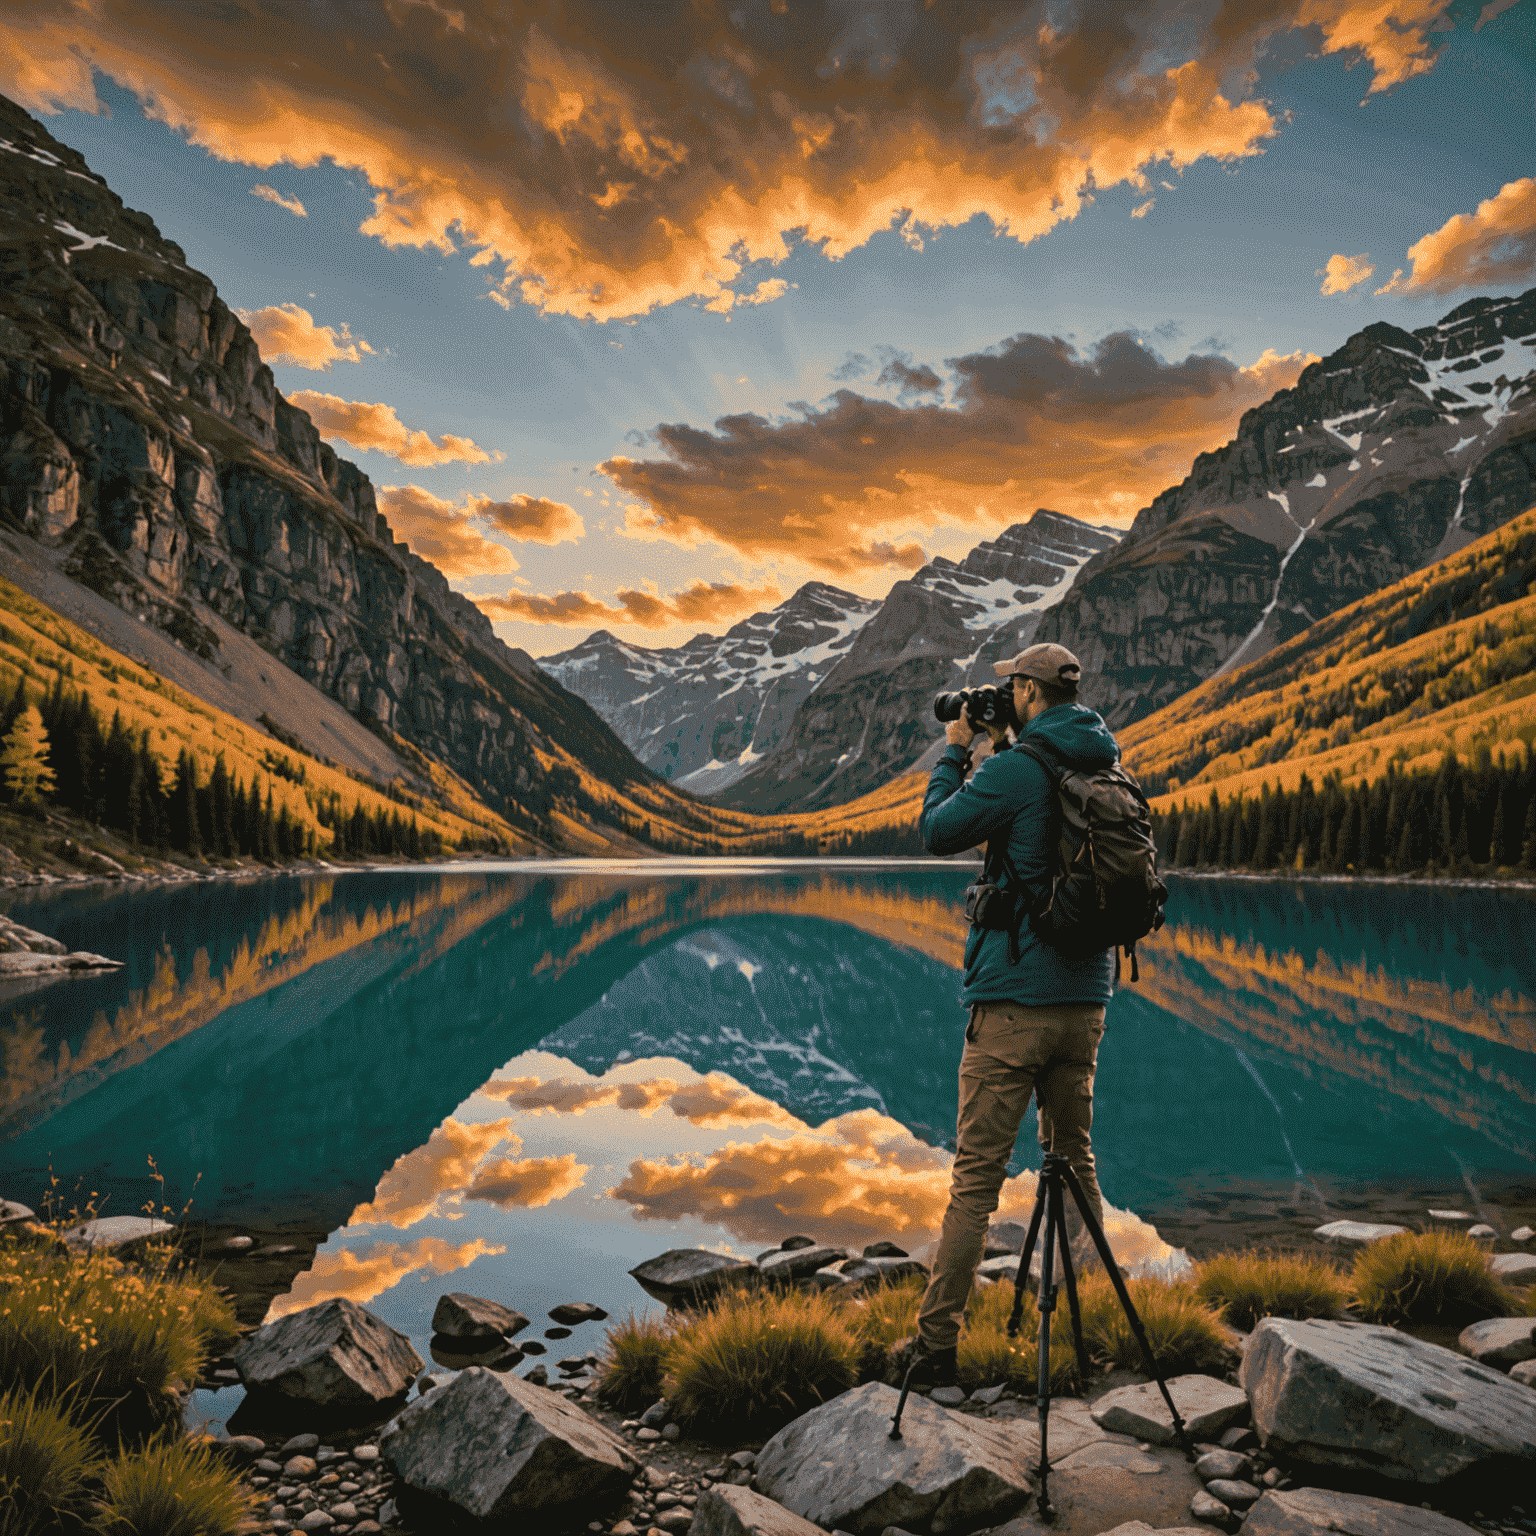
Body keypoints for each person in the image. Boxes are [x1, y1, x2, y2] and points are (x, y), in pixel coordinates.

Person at [904, 641, 1121, 1389]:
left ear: (1027, 689)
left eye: (1007, 691)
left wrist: (955, 750)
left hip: (1012, 1007)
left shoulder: (1016, 770)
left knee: (976, 1180)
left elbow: (937, 831)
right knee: (1075, 1159)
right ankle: (1096, 1323)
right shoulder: (1099, 763)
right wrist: (1004, 743)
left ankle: (934, 1348)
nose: (998, 700)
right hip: (1087, 1002)